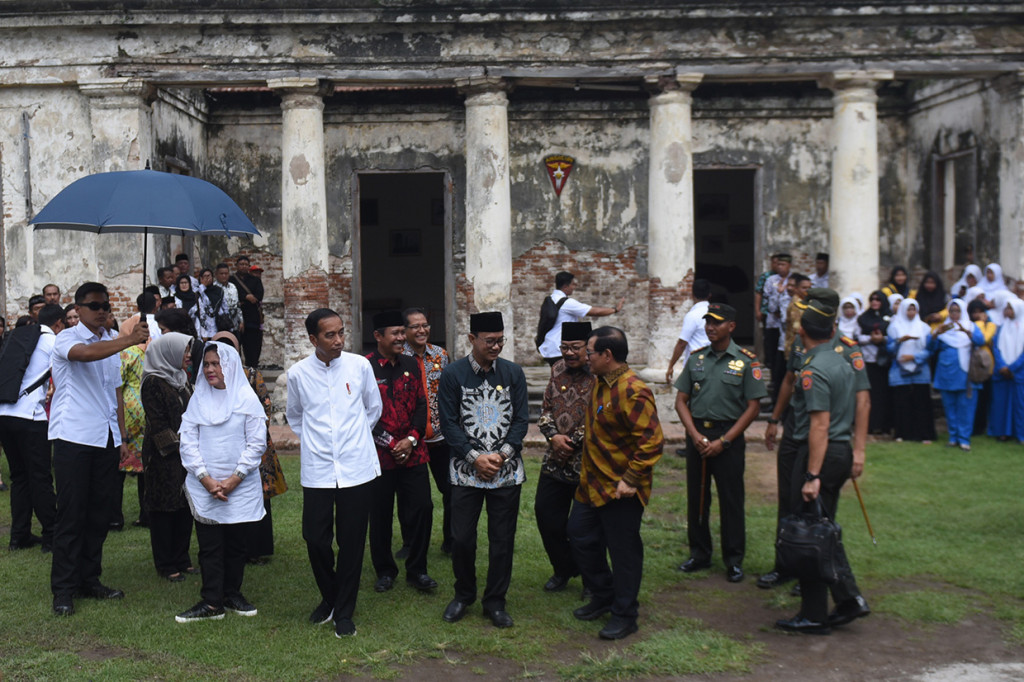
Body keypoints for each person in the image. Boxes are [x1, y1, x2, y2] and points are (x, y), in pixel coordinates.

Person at [48, 282, 149, 616]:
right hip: (74, 437)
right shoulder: (68, 337)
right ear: (79, 309)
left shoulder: (110, 340)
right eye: (96, 305)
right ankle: (63, 589)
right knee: (71, 515)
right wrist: (129, 340)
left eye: (106, 305)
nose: (103, 310)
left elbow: (116, 391)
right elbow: (85, 355)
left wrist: (120, 438)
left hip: (106, 438)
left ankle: (89, 579)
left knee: (99, 515)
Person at [761, 288, 870, 592]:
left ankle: (812, 567)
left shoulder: (848, 350)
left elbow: (863, 403)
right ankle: (785, 564)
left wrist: (858, 450)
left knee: (819, 508)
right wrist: (774, 419)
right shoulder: (803, 342)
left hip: (822, 436)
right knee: (789, 501)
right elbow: (789, 380)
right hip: (796, 431)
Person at [286, 308, 382, 638]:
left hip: (356, 467)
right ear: (313, 339)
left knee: (352, 541)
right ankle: (330, 596)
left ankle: (344, 611)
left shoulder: (359, 366)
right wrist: (321, 443)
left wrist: (351, 440)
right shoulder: (298, 374)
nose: (339, 340)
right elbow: (295, 417)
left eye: (341, 332)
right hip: (318, 469)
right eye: (330, 335)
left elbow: (373, 409)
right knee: (315, 538)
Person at [568, 326, 664, 640]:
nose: (585, 358)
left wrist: (632, 479)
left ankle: (625, 614)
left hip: (621, 488)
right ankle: (604, 595)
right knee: (580, 537)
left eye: (589, 352)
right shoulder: (600, 383)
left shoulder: (633, 389)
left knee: (623, 552)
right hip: (591, 483)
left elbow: (651, 441)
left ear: (607, 355)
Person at [438, 311, 529, 629]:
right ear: (471, 339)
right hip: (466, 471)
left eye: (500, 340)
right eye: (489, 341)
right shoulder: (453, 374)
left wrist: (502, 456)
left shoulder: (514, 373)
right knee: (461, 537)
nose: (496, 346)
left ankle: (495, 601)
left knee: (502, 539)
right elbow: (448, 423)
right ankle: (463, 595)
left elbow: (520, 420)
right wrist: (474, 457)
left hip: (505, 470)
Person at [674, 303, 766, 584]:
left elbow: (753, 407)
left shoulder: (747, 361)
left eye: (717, 322)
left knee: (731, 500)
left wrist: (725, 441)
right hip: (699, 436)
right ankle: (699, 554)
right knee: (698, 498)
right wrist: (695, 435)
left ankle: (734, 559)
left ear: (731, 326)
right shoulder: (697, 358)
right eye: (708, 322)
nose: (711, 327)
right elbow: (681, 401)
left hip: (729, 437)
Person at [175, 341, 267, 623]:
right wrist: (206, 478)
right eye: (207, 364)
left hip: (239, 484)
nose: (210, 369)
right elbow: (188, 441)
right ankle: (212, 601)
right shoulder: (198, 399)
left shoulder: (245, 398)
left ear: (229, 366)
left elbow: (256, 444)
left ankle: (232, 592)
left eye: (216, 364)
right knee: (210, 545)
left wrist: (233, 479)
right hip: (206, 485)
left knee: (237, 543)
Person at [364, 311, 436, 594]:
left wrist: (412, 438)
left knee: (422, 508)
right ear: (378, 336)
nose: (400, 338)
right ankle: (384, 570)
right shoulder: (365, 366)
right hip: (379, 456)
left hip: (414, 453)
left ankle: (417, 569)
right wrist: (390, 443)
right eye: (394, 333)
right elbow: (363, 413)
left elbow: (421, 404)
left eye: (401, 332)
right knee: (380, 514)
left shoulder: (410, 363)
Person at [211, 331, 286, 565]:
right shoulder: (211, 377)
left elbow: (264, 406)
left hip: (254, 445)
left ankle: (256, 548)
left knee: (255, 494)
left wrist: (247, 433)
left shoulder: (249, 374)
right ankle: (232, 548)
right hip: (223, 445)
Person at [535, 321, 594, 593]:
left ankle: (591, 576)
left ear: (588, 348)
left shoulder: (598, 372)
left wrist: (572, 440)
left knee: (584, 528)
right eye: (565, 348)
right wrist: (553, 437)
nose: (569, 353)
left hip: (587, 464)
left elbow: (599, 415)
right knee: (546, 516)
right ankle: (563, 568)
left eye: (576, 348)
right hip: (554, 461)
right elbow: (546, 409)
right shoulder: (556, 369)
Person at [0, 303, 63, 551]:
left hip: (4, 412)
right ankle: (51, 534)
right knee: (40, 477)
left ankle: (19, 536)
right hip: (30, 417)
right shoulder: (53, 342)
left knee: (19, 477)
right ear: (58, 323)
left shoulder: (21, 337)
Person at [140, 332, 196, 582]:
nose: (187, 356)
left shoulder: (181, 379)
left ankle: (182, 558)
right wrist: (181, 445)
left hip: (186, 452)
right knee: (165, 508)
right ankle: (166, 562)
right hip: (164, 455)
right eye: (183, 351)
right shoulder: (153, 382)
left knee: (185, 505)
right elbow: (158, 423)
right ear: (168, 352)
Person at [402, 307, 452, 555]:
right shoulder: (399, 356)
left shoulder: (441, 355)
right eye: (415, 326)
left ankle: (451, 541)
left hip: (442, 437)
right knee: (414, 499)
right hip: (413, 439)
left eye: (425, 325)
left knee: (451, 490)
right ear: (405, 331)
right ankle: (410, 544)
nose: (422, 330)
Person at [929, 299, 984, 451]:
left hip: (966, 375)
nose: (954, 314)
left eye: (957, 311)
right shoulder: (944, 329)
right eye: (952, 311)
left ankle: (964, 438)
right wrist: (936, 334)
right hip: (946, 373)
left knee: (966, 407)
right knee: (949, 407)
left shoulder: (971, 326)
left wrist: (966, 332)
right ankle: (953, 437)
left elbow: (980, 341)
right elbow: (931, 347)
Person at [537, 271, 623, 365]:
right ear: (566, 286)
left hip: (551, 347)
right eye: (573, 284)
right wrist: (615, 309)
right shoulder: (567, 303)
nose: (574, 287)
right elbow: (594, 311)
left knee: (560, 376)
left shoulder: (550, 299)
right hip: (562, 349)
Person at [887, 298, 936, 443]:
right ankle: (903, 433)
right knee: (902, 401)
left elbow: (930, 349)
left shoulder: (924, 327)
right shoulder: (894, 327)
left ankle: (923, 433)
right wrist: (898, 341)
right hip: (899, 367)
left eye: (913, 309)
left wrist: (914, 357)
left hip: (920, 367)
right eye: (908, 309)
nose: (911, 312)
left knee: (921, 401)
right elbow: (889, 350)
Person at [988, 297, 1024, 442]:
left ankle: (1019, 433)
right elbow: (996, 347)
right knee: (1000, 403)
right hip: (1001, 372)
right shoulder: (1001, 327)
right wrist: (1002, 366)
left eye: (1010, 308)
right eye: (1006, 308)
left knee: (1019, 405)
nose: (1007, 311)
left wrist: (1013, 368)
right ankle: (1002, 432)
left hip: (1019, 373)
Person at [857, 291, 892, 434]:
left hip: (884, 360)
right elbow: (858, 336)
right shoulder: (864, 318)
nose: (875, 302)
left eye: (878, 300)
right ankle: (870, 424)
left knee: (884, 394)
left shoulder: (891, 318)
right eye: (872, 299)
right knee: (871, 394)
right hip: (869, 360)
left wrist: (882, 339)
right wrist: (871, 339)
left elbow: (894, 335)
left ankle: (884, 425)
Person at [664, 278, 711, 385]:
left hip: (696, 366)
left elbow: (682, 343)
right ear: (710, 295)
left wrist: (671, 366)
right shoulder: (715, 313)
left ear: (692, 295)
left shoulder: (693, 316)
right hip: (713, 363)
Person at [763, 254, 793, 395]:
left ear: (789, 265)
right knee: (773, 361)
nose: (780, 267)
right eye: (778, 264)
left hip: (788, 329)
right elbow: (768, 301)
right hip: (773, 324)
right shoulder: (771, 280)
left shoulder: (793, 281)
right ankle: (774, 391)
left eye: (783, 265)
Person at [968, 299, 997, 436]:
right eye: (974, 313)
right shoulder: (967, 325)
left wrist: (980, 323)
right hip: (972, 366)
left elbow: (983, 339)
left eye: (980, 312)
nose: (977, 315)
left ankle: (982, 426)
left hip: (985, 365)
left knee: (985, 398)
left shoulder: (990, 325)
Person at [229, 255, 265, 368]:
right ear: (236, 266)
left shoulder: (255, 280)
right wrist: (245, 297)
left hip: (252, 320)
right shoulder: (231, 280)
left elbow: (259, 296)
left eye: (246, 264)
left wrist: (249, 299)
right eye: (241, 264)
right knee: (234, 349)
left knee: (252, 351)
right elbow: (231, 297)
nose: (243, 266)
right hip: (235, 321)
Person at [211, 263, 243, 336]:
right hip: (219, 325)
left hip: (234, 325)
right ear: (216, 274)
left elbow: (237, 305)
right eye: (221, 274)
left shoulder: (233, 286)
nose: (224, 276)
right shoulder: (213, 288)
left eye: (226, 273)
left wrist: (241, 321)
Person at [194, 268, 219, 340]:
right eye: (205, 276)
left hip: (215, 324)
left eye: (209, 276)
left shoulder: (218, 290)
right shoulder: (197, 290)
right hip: (202, 326)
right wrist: (203, 286)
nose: (207, 278)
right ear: (201, 278)